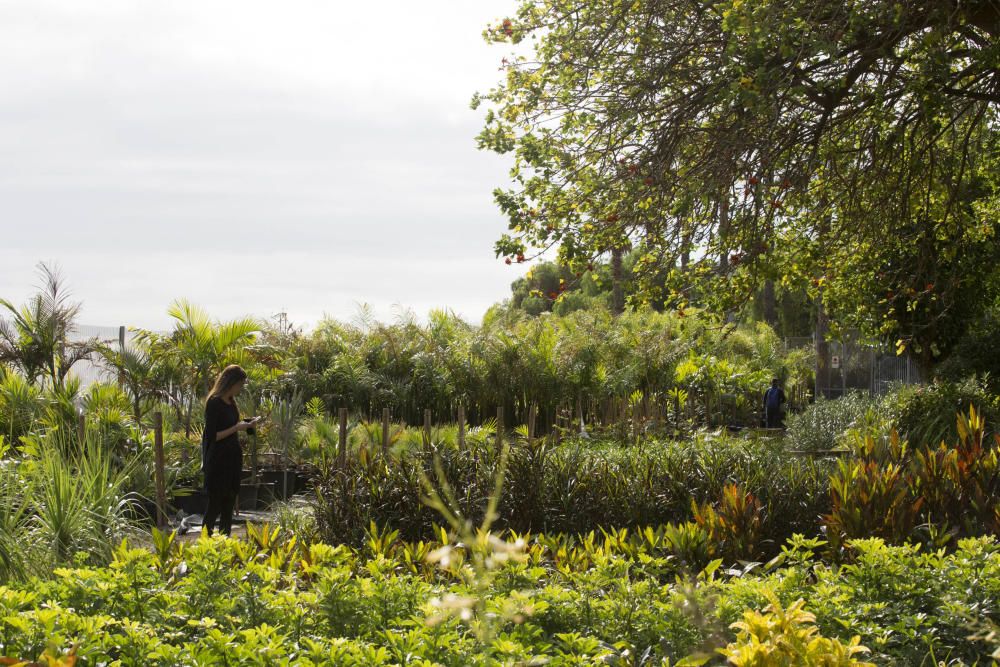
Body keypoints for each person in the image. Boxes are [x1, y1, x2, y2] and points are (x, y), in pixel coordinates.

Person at [201, 365, 260, 535]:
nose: (240, 389)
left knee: (228, 507)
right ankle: (205, 545)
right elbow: (213, 436)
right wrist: (236, 428)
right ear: (230, 382)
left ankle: (224, 545)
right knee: (214, 507)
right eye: (239, 385)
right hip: (218, 462)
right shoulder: (214, 403)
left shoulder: (231, 402)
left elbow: (233, 426)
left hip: (232, 460)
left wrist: (248, 426)